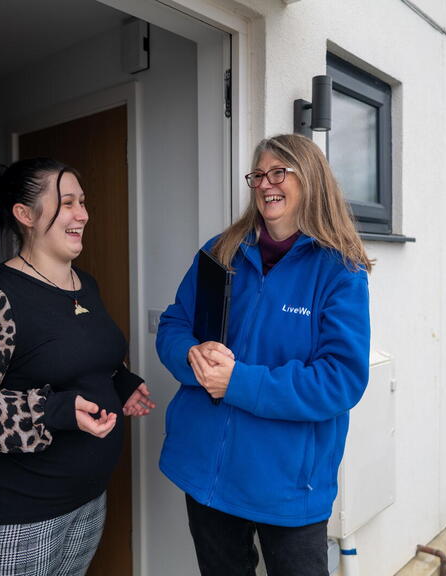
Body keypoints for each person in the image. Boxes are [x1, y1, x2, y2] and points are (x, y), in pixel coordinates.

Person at [156, 134, 371, 576]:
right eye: (258, 175)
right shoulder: (221, 252)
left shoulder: (338, 269)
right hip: (208, 475)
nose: (265, 184)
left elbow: (341, 379)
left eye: (279, 172)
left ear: (309, 180)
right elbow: (174, 325)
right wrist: (193, 355)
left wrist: (238, 382)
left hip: (288, 485)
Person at [0, 157, 155, 576]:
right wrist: (56, 410)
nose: (83, 214)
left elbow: (79, 356)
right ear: (25, 215)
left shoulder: (84, 284)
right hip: (8, 519)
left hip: (84, 504)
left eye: (82, 202)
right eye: (67, 202)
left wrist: (121, 382)